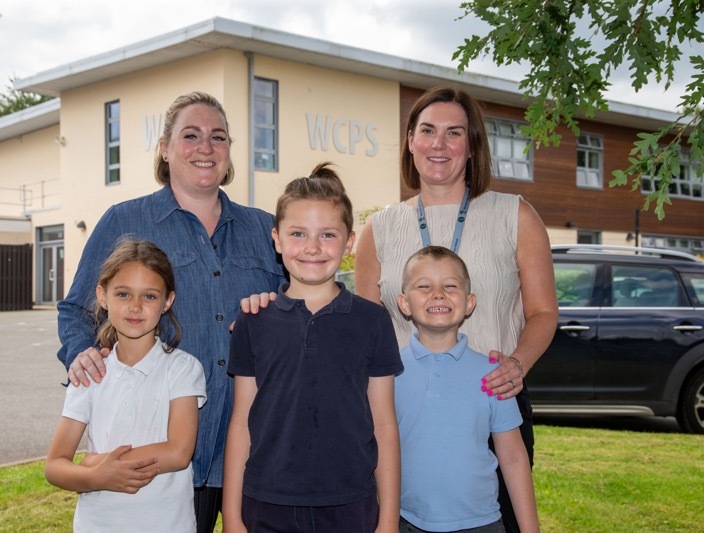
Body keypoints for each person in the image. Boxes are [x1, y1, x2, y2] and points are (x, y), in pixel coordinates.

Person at [56, 91, 286, 533]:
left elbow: (296, 305)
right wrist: (79, 352)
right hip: (163, 463)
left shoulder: (262, 228)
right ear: (165, 148)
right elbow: (75, 308)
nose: (205, 147)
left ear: (229, 151)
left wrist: (276, 310)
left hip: (254, 447)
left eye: (218, 137)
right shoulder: (125, 220)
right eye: (191, 135)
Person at [354, 86, 557, 532]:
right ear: (410, 140)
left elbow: (543, 312)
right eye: (427, 130)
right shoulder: (379, 228)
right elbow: (362, 328)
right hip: (401, 409)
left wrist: (518, 364)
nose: (438, 144)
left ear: (472, 145)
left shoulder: (516, 215)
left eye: (454, 133)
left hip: (492, 398)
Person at [223, 162, 403, 533]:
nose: (312, 248)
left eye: (328, 235)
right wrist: (233, 516)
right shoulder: (252, 320)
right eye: (298, 234)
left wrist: (388, 520)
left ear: (349, 242)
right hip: (265, 504)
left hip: (351, 504)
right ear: (276, 239)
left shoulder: (373, 321)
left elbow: (384, 424)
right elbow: (241, 422)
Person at [46, 239, 207, 532]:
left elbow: (178, 452)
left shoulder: (182, 368)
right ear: (102, 296)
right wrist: (98, 476)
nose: (135, 307)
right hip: (97, 525)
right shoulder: (89, 372)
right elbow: (55, 465)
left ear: (167, 301)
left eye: (149, 296)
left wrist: (97, 461)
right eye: (123, 294)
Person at [395, 246, 539, 533]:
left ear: (469, 303)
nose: (438, 294)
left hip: (481, 524)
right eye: (424, 286)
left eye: (450, 286)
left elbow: (513, 457)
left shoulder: (493, 373)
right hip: (405, 521)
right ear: (405, 303)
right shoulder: (388, 372)